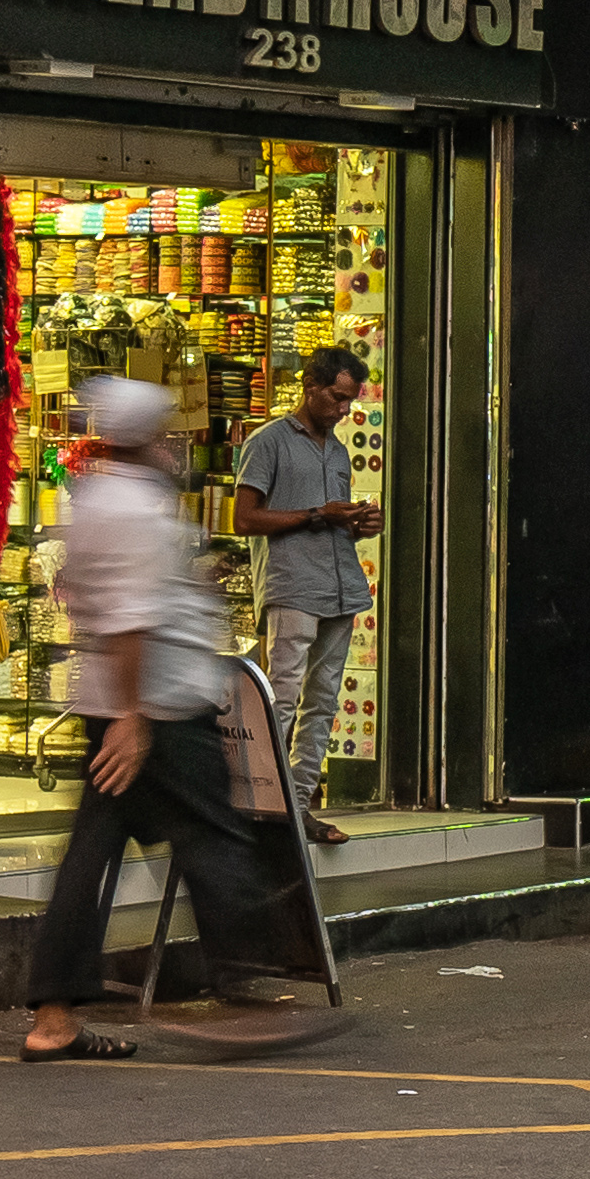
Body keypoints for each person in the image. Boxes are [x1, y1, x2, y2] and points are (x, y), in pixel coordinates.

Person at [18, 376, 325, 1063]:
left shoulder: (96, 498)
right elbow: (128, 620)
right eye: (166, 435)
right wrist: (133, 718)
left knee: (91, 854)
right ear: (145, 441)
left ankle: (54, 1013)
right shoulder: (135, 511)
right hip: (155, 709)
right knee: (213, 838)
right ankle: (241, 995)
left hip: (118, 702)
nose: (175, 447)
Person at [230, 341, 378, 849]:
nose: (343, 411)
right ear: (310, 387)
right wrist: (319, 515)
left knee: (323, 704)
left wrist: (359, 524)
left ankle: (297, 806)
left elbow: (332, 519)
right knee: (282, 700)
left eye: (349, 403)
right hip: (292, 586)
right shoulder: (268, 441)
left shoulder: (337, 450)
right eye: (337, 399)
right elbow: (245, 519)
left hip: (342, 589)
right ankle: (264, 808)